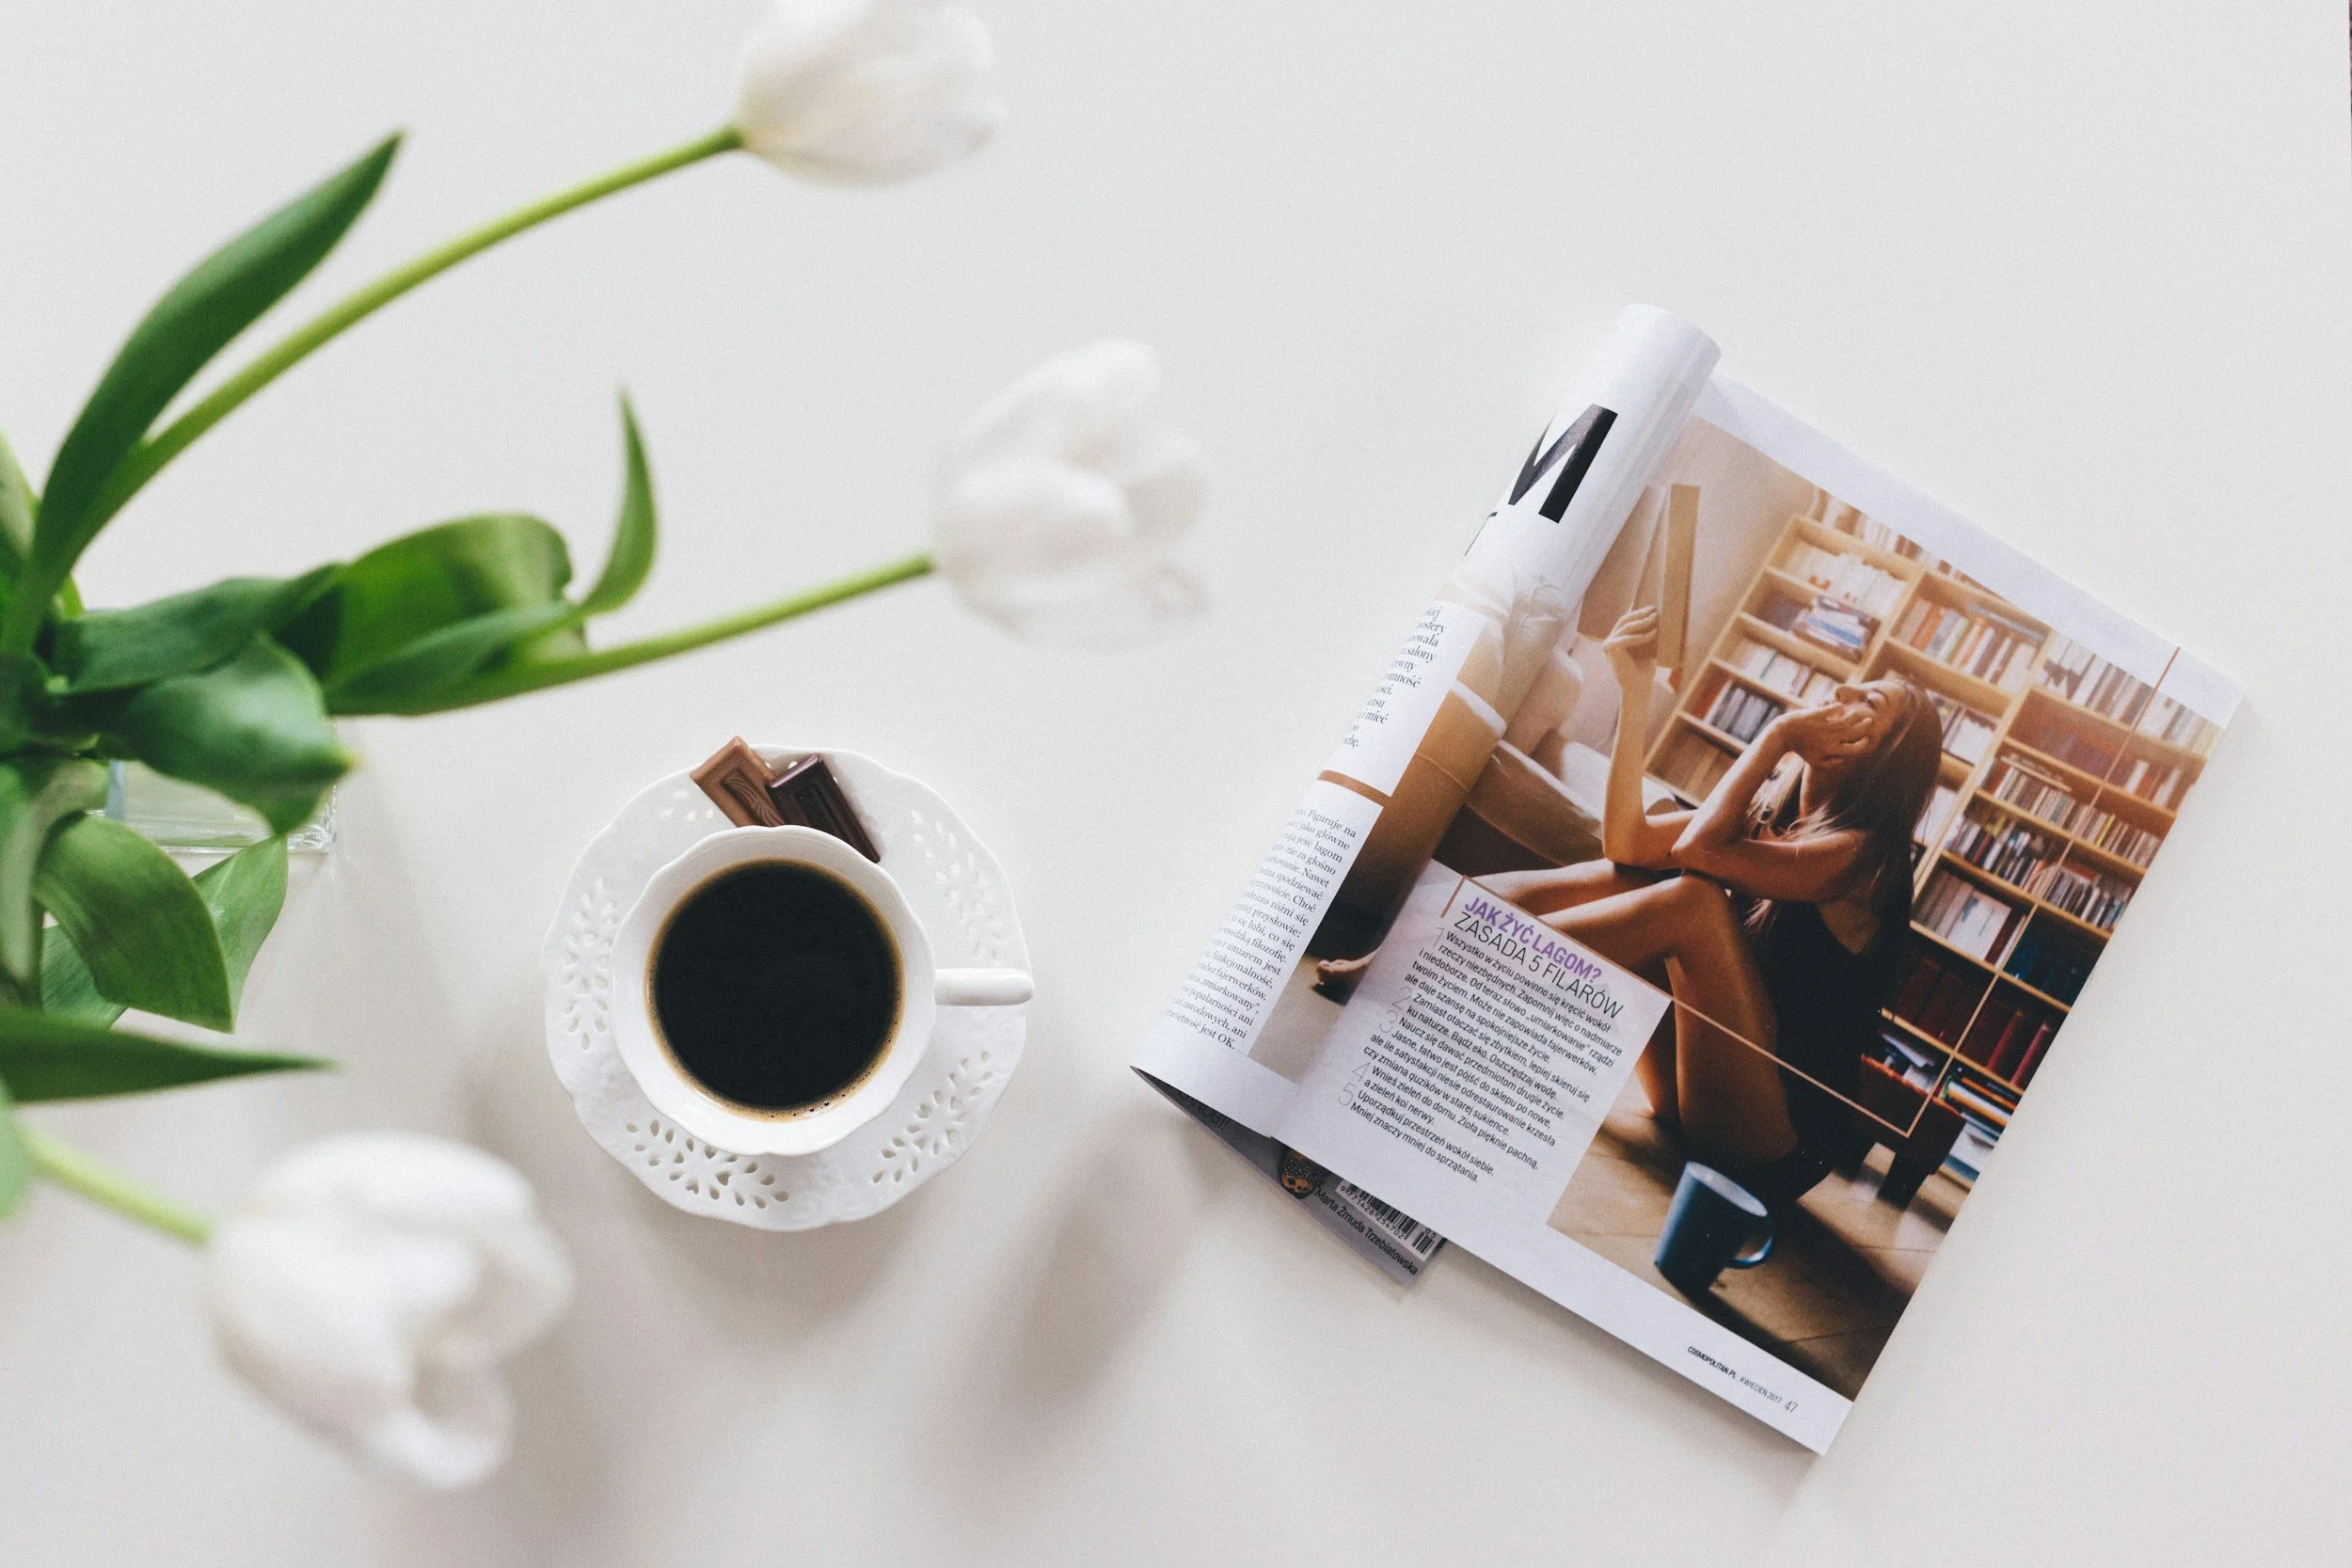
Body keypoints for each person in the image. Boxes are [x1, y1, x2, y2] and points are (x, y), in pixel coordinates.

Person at [1479, 606, 1943, 1207]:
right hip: (1700, 1090)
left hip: (1777, 1142)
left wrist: (1777, 737)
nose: (1842, 691)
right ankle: (1441, 937)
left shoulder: (1864, 858)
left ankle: (1468, 972)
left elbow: (1697, 854)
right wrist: (1636, 692)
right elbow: (1626, 842)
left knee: (1693, 901)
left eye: (1868, 702)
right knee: (1634, 876)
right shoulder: (1771, 815)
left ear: (1887, 757)